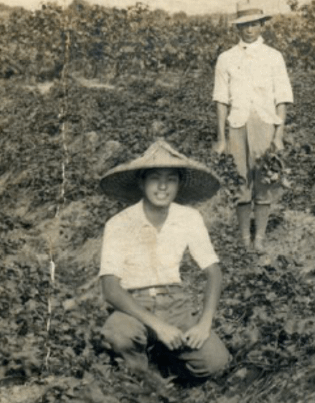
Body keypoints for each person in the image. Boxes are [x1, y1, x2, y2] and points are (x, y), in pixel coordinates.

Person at [97, 139, 230, 382]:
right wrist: (158, 326)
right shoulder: (119, 223)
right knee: (118, 335)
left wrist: (204, 323)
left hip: (175, 305)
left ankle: (164, 357)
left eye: (171, 179)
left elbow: (214, 271)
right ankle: (141, 377)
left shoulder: (189, 218)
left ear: (179, 184)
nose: (162, 187)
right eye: (155, 178)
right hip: (133, 306)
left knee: (216, 363)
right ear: (141, 181)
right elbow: (111, 288)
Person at [212, 1, 294, 251]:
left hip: (265, 125)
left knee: (264, 182)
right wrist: (222, 138)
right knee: (240, 183)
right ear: (238, 28)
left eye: (254, 24)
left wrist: (279, 134)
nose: (250, 30)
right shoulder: (226, 58)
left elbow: (282, 97)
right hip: (237, 125)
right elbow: (221, 100)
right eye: (245, 25)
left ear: (262, 26)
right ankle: (244, 239)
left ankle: (259, 238)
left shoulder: (273, 57)